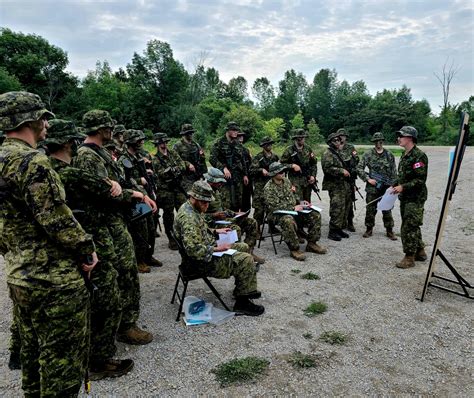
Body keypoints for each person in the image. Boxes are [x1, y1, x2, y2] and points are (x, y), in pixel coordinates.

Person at [0, 91, 98, 396]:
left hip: (20, 275)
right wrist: (87, 249)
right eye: (43, 117)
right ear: (27, 120)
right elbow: (56, 219)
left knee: (32, 359)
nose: (46, 124)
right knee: (62, 366)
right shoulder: (32, 162)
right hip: (54, 281)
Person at [44, 118, 134, 380]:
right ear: (66, 142)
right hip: (88, 241)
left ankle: (90, 354)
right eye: (72, 140)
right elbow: (106, 190)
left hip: (66, 246)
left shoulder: (44, 168)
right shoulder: (67, 172)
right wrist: (118, 188)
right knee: (107, 297)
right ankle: (99, 361)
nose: (76, 143)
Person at [74, 109, 155, 345]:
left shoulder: (101, 153)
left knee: (126, 272)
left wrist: (126, 191)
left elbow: (116, 184)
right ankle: (123, 327)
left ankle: (126, 323)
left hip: (115, 222)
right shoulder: (88, 156)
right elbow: (106, 191)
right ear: (101, 129)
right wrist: (136, 194)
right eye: (109, 127)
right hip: (104, 225)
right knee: (119, 275)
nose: (112, 130)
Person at [174, 180, 264, 316]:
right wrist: (218, 249)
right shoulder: (189, 219)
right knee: (246, 260)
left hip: (207, 250)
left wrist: (215, 232)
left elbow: (200, 230)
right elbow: (193, 251)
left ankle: (242, 289)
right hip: (201, 262)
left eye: (208, 202)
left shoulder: (190, 208)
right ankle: (242, 303)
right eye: (204, 202)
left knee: (244, 246)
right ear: (194, 198)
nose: (207, 205)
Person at [263, 162, 327, 261]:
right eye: (280, 172)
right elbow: (274, 207)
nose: (283, 173)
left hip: (293, 210)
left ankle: (312, 243)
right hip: (277, 214)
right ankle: (294, 249)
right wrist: (293, 208)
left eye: (284, 171)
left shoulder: (287, 181)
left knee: (315, 214)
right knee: (288, 220)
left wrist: (301, 202)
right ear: (274, 174)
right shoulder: (268, 188)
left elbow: (293, 195)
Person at [119, 129, 162, 273]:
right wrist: (139, 180)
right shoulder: (123, 159)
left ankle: (149, 256)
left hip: (146, 195)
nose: (141, 143)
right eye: (138, 140)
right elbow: (123, 182)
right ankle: (140, 260)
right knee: (140, 230)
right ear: (130, 142)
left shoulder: (138, 156)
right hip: (136, 200)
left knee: (151, 227)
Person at [204, 167, 265, 264]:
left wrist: (235, 213)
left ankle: (248, 251)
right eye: (218, 182)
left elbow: (222, 209)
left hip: (223, 220)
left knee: (251, 222)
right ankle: (236, 256)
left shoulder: (216, 191)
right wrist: (214, 215)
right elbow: (199, 216)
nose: (221, 184)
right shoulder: (203, 193)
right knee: (235, 229)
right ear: (211, 180)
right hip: (211, 224)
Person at [392, 126, 428, 269]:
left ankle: (409, 257)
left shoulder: (419, 156)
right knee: (412, 223)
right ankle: (420, 250)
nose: (399, 138)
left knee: (409, 226)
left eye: (402, 136)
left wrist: (403, 187)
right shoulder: (405, 154)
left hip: (415, 197)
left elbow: (420, 180)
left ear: (410, 138)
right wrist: (394, 185)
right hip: (406, 197)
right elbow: (402, 176)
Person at [357, 132, 398, 240]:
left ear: (383, 141)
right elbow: (359, 168)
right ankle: (369, 229)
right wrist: (368, 179)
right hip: (373, 187)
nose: (378, 143)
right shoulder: (368, 154)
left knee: (387, 208)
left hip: (386, 186)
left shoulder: (389, 155)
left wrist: (393, 185)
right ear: (374, 142)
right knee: (370, 209)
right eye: (376, 141)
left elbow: (394, 171)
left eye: (380, 141)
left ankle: (389, 230)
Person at [152, 132, 188, 250]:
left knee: (183, 210)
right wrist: (172, 171)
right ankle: (171, 237)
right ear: (157, 144)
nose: (164, 145)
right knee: (168, 215)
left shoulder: (173, 153)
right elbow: (161, 174)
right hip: (165, 190)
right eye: (161, 143)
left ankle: (184, 234)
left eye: (165, 142)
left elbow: (182, 166)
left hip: (177, 188)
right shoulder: (156, 159)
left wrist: (174, 170)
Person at [209, 121, 249, 211]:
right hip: (224, 178)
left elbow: (242, 160)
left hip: (238, 177)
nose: (236, 132)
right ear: (227, 131)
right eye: (233, 130)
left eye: (237, 130)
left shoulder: (238, 144)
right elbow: (212, 159)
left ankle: (236, 222)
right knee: (226, 202)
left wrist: (245, 174)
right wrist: (223, 168)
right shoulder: (218, 143)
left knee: (238, 202)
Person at [321, 131, 352, 241]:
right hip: (334, 185)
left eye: (339, 140)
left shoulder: (338, 152)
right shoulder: (328, 154)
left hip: (342, 184)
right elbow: (327, 169)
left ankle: (339, 228)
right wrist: (341, 171)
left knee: (344, 207)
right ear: (330, 142)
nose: (338, 142)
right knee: (336, 207)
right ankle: (332, 231)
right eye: (335, 140)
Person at [249, 136, 280, 231]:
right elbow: (251, 170)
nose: (269, 146)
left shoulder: (275, 157)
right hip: (260, 186)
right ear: (263, 146)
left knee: (272, 207)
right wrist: (260, 169)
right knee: (259, 209)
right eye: (267, 144)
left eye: (270, 144)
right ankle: (256, 230)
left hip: (271, 185)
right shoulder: (258, 157)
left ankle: (272, 227)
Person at [280, 128, 318, 203]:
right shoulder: (289, 150)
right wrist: (292, 166)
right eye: (299, 138)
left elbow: (313, 164)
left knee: (307, 202)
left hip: (307, 180)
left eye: (302, 138)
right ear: (295, 139)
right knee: (297, 202)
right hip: (295, 180)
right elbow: (281, 165)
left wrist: (313, 176)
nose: (301, 140)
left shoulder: (308, 149)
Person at [173, 123, 207, 192]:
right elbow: (174, 161)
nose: (190, 134)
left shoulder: (196, 145)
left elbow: (201, 161)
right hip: (185, 177)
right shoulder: (177, 146)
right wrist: (187, 164)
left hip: (197, 176)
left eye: (191, 133)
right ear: (183, 134)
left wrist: (202, 174)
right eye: (188, 133)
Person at [338, 128, 360, 232]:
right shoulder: (335, 147)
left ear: (346, 137)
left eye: (344, 136)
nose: (342, 137)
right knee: (339, 201)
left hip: (349, 177)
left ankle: (350, 222)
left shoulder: (351, 147)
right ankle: (340, 222)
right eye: (340, 136)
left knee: (350, 200)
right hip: (339, 178)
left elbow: (357, 159)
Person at [237, 130, 253, 212]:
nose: (241, 137)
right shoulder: (234, 148)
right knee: (237, 200)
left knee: (246, 199)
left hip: (247, 176)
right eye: (239, 135)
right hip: (238, 177)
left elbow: (250, 163)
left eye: (242, 136)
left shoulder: (246, 150)